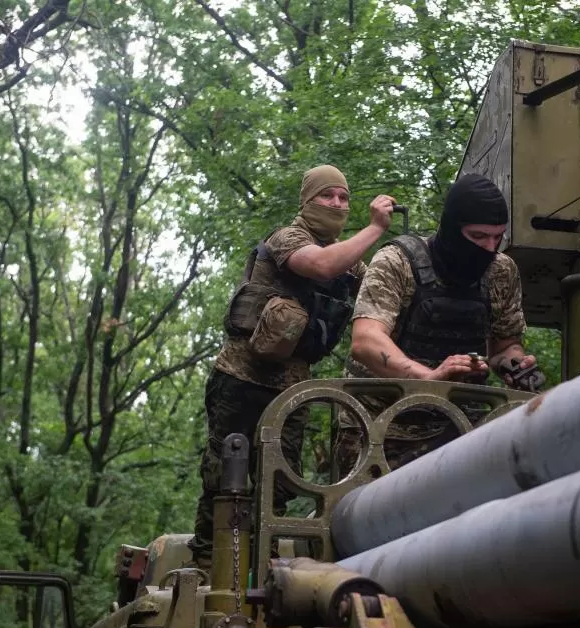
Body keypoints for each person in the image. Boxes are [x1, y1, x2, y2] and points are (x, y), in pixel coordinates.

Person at [187, 164, 395, 567]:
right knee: (223, 479)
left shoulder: (352, 266)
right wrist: (375, 229)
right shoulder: (289, 238)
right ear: (307, 200)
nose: (336, 204)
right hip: (241, 379)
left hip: (292, 391)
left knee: (280, 485)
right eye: (326, 195)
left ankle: (262, 567)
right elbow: (319, 265)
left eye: (343, 198)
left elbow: (379, 297)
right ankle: (207, 567)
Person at [334, 173, 540, 476]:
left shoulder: (501, 271)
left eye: (498, 237)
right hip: (380, 430)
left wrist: (517, 365)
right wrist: (429, 377)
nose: (489, 247)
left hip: (461, 429)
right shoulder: (397, 261)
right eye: (478, 236)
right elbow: (366, 341)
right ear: (452, 227)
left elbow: (504, 345)